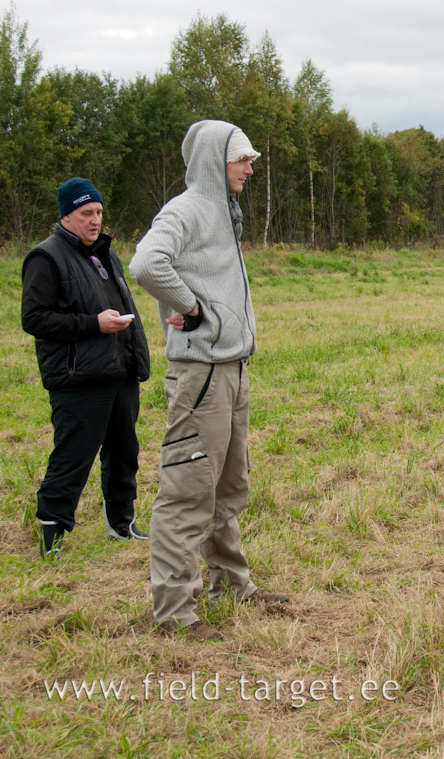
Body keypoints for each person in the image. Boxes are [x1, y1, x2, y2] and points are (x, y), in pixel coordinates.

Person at [132, 120, 289, 642]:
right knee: (187, 491)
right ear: (212, 160)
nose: (250, 168)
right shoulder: (186, 210)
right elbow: (146, 264)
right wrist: (194, 308)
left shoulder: (225, 211)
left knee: (228, 485)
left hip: (232, 370)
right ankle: (175, 613)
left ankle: (231, 584)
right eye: (242, 159)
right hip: (201, 376)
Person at [22, 178, 151, 559]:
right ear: (65, 215)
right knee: (73, 456)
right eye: (86, 214)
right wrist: (93, 324)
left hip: (120, 369)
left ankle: (121, 524)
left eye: (98, 212)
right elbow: (35, 318)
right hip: (78, 377)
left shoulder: (106, 255)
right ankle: (52, 535)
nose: (95, 221)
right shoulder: (45, 257)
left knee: (125, 451)